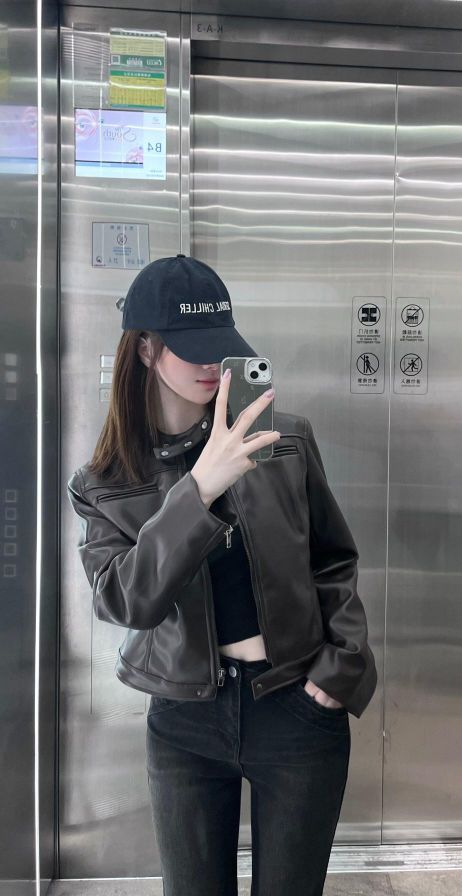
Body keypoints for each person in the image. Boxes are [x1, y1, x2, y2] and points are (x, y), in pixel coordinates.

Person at [66, 254, 378, 896]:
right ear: (146, 349)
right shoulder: (105, 484)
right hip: (186, 720)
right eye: (193, 347)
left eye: (221, 344)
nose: (213, 364)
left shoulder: (282, 440)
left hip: (296, 702)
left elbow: (332, 559)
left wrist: (340, 669)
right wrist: (200, 489)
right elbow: (126, 601)